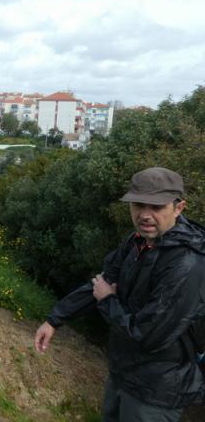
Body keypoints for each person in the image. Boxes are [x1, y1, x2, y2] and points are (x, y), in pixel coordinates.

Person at [34, 167, 205, 421]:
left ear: (178, 208)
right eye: (138, 205)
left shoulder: (186, 263)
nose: (144, 215)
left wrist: (107, 300)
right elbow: (102, 281)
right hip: (122, 374)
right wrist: (55, 318)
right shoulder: (138, 241)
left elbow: (148, 336)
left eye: (156, 207)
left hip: (155, 391)